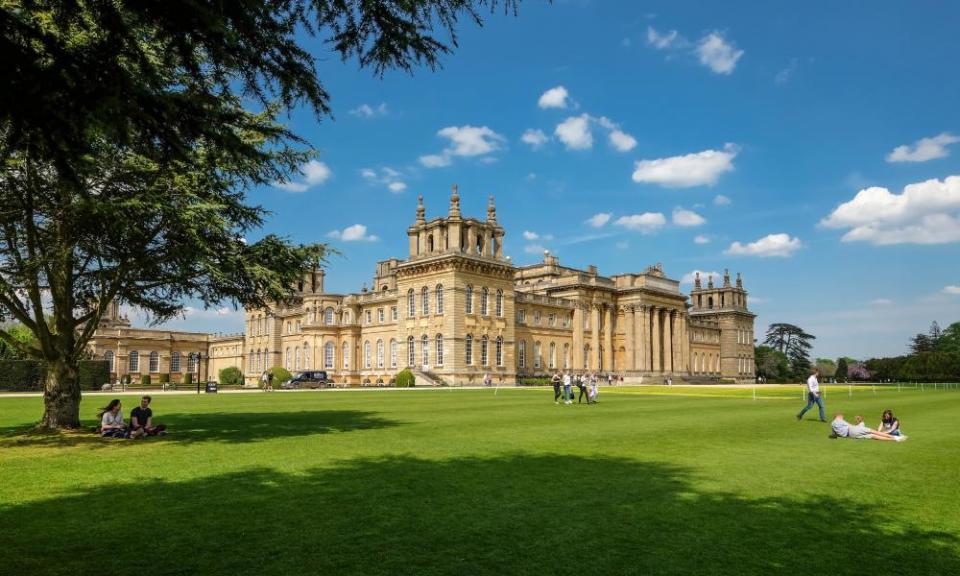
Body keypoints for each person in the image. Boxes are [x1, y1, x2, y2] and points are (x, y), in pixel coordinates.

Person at [831, 414, 906, 441]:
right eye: (842, 417)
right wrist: (856, 424)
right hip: (852, 430)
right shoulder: (840, 420)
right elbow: (850, 426)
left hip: (851, 435)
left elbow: (834, 434)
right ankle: (895, 438)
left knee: (873, 436)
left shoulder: (832, 424)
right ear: (839, 416)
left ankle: (893, 440)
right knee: (873, 431)